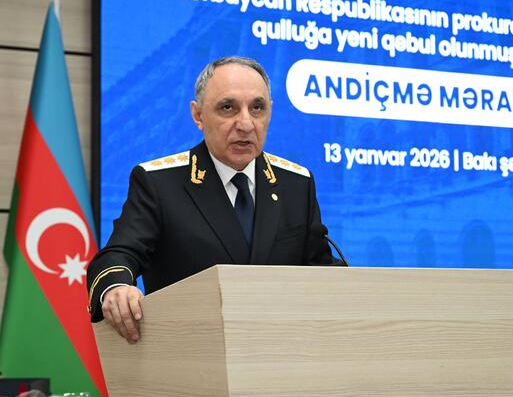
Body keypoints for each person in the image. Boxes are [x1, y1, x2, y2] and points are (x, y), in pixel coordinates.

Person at [87, 56, 342, 343]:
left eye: (257, 108)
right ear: (198, 116)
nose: (245, 123)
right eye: (228, 108)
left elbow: (323, 271)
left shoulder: (296, 184)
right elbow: (118, 255)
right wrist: (115, 287)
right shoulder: (159, 183)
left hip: (281, 352)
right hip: (192, 351)